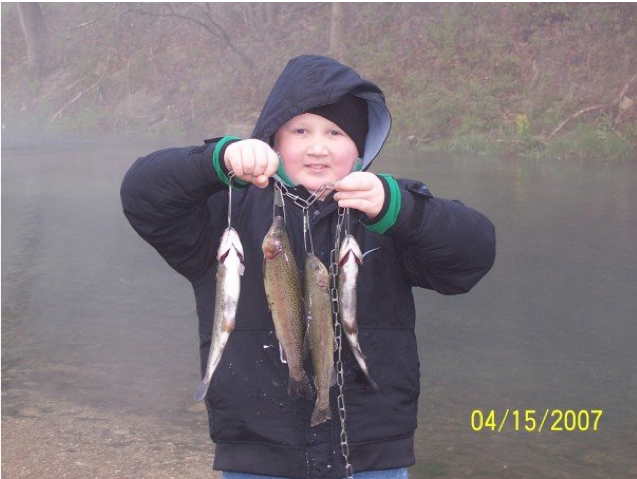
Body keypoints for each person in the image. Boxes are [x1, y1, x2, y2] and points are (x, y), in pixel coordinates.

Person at [120, 54, 496, 479]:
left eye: (335, 133)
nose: (318, 147)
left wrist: (401, 209)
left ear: (360, 148)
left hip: (373, 455)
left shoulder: (386, 209)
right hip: (257, 454)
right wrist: (216, 161)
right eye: (300, 131)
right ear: (273, 142)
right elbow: (141, 194)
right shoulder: (226, 213)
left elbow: (473, 255)